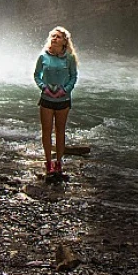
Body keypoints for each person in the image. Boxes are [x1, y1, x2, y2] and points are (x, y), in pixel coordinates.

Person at [33, 25, 78, 176]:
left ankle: (59, 162)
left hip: (63, 100)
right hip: (46, 99)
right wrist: (43, 88)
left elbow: (73, 77)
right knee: (46, 132)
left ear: (64, 41)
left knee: (60, 131)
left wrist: (64, 90)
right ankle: (48, 162)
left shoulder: (70, 58)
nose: (54, 38)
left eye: (58, 36)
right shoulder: (43, 57)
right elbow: (36, 75)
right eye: (52, 36)